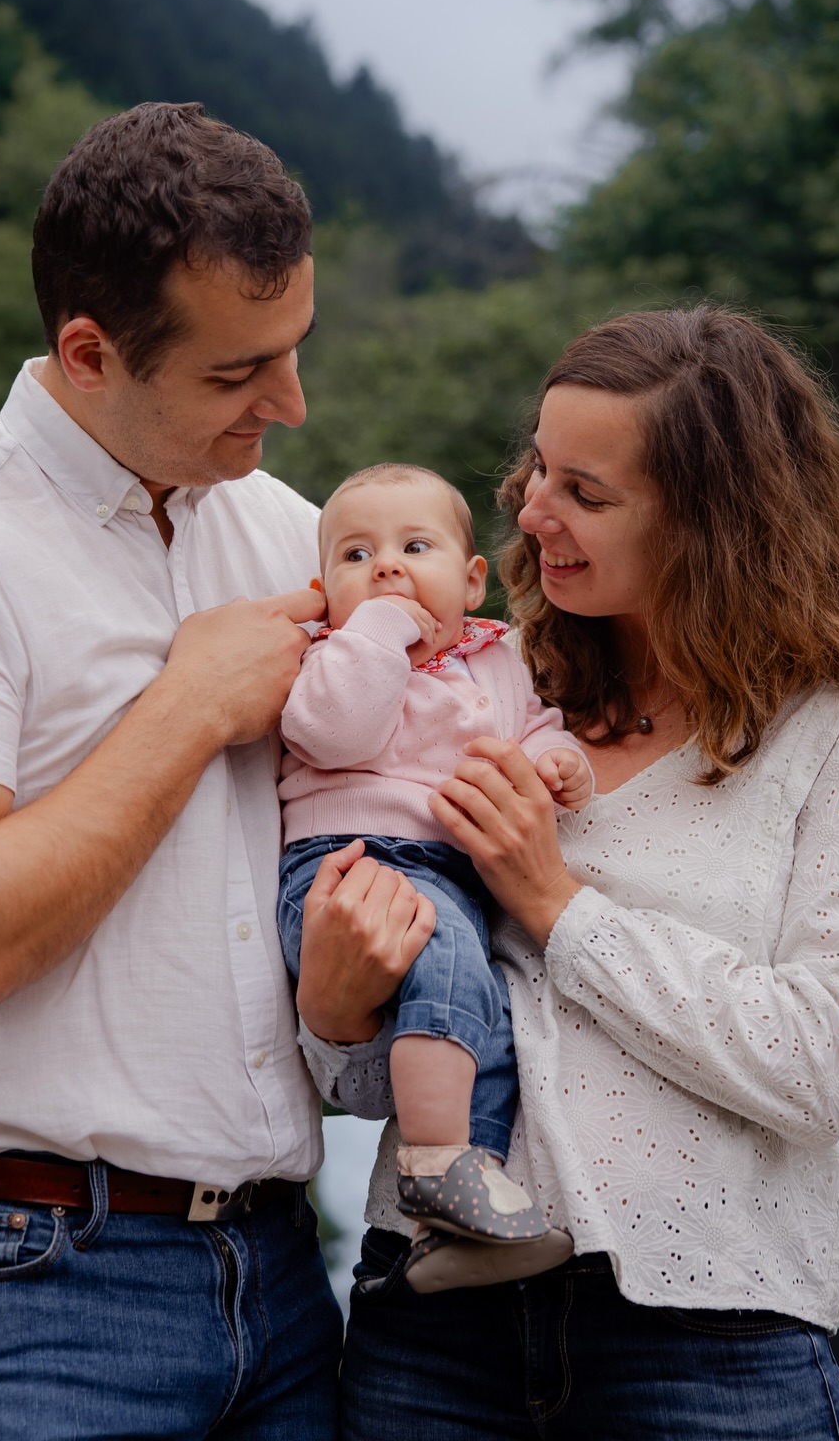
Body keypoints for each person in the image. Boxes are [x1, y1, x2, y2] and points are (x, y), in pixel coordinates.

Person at [0, 102, 421, 1441]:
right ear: (88, 352)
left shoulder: (298, 536)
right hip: (13, 1284)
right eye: (239, 372)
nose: (292, 405)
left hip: (282, 1271)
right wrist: (185, 707)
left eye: (295, 351)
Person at [295, 307, 839, 1440]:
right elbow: (381, 1079)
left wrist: (556, 905)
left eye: (586, 495)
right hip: (429, 1330)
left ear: (715, 525)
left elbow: (826, 1067)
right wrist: (337, 1017)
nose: (531, 512)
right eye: (540, 469)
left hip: (706, 1339)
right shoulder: (491, 685)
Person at [276, 463, 590, 1288]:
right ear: (324, 589)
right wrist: (375, 631)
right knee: (452, 973)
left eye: (415, 547)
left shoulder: (497, 662)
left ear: (472, 579)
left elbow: (535, 729)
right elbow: (333, 734)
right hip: (351, 861)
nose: (384, 566)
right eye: (355, 556)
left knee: (483, 1012)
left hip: (448, 872)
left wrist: (558, 764)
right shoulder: (334, 656)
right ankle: (437, 1167)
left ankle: (458, 1216)